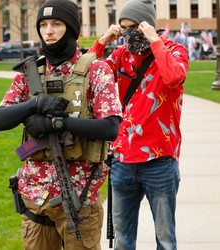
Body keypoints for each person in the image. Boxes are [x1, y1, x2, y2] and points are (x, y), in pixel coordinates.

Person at [0, 0, 122, 250]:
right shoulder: (30, 73)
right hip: (36, 197)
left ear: (71, 28)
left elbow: (110, 128)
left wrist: (59, 124)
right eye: (43, 25)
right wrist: (34, 106)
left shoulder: (96, 70)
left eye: (56, 24)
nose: (48, 31)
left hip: (79, 198)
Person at [89, 0, 188, 249]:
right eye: (125, 28)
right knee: (123, 240)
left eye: (137, 27)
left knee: (165, 240)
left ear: (149, 26)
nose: (131, 34)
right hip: (122, 160)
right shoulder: (121, 55)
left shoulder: (173, 51)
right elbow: (87, 74)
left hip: (160, 161)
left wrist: (155, 41)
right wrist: (103, 41)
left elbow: (174, 77)